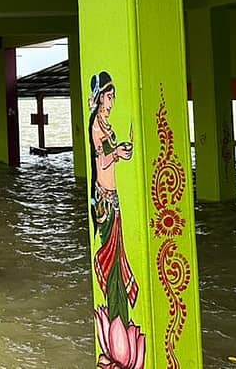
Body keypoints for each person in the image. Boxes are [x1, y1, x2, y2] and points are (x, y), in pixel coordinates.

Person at [88, 71, 138, 324]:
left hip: (113, 197)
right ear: (99, 98)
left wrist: (119, 151)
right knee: (112, 260)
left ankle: (120, 317)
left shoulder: (105, 124)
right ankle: (116, 317)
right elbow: (101, 161)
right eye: (108, 97)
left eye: (113, 97)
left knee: (118, 259)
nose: (111, 103)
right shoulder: (96, 126)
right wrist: (117, 152)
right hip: (105, 200)